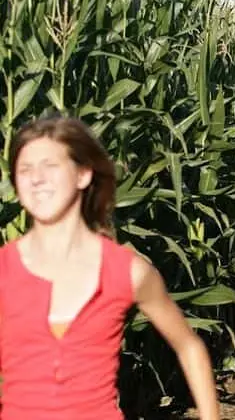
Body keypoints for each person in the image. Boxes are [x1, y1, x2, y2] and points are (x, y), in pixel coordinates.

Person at [0, 115, 219, 419]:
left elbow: (189, 346)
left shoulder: (128, 271)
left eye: (50, 165)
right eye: (24, 169)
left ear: (83, 174)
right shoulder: (4, 270)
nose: (36, 177)